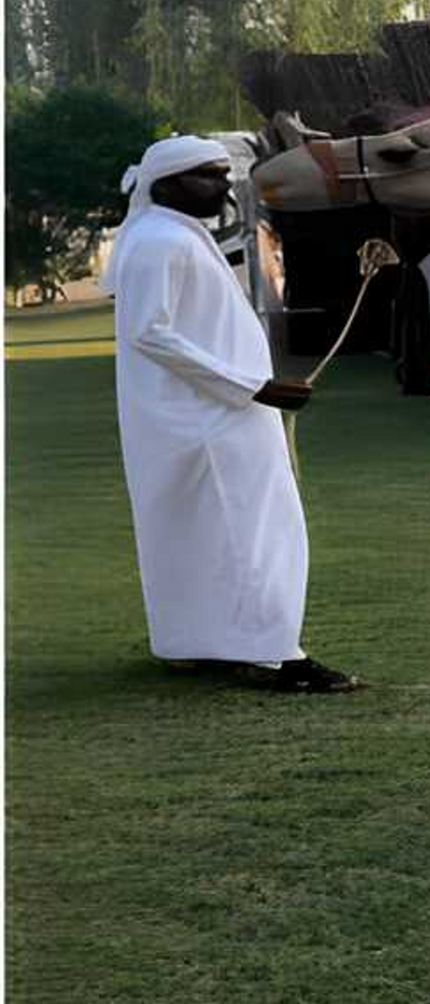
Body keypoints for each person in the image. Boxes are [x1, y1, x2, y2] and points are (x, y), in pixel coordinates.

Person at [100, 135, 360, 692]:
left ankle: (200, 642)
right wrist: (253, 387)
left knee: (211, 534)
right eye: (208, 176)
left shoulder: (171, 235)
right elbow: (151, 333)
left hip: (210, 416)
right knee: (256, 532)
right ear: (166, 185)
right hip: (211, 420)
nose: (222, 186)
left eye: (222, 175)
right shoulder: (160, 242)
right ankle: (272, 655)